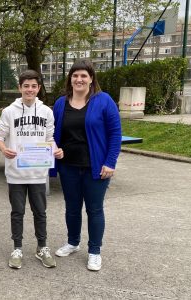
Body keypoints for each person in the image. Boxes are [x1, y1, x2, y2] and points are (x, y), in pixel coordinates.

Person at [51, 59, 121, 271]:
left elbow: (115, 134)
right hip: (68, 166)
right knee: (72, 208)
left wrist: (110, 162)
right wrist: (55, 149)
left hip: (96, 167)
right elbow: (52, 134)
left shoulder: (104, 101)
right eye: (75, 75)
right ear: (70, 79)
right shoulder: (61, 103)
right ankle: (73, 242)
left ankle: (94, 251)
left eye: (84, 75)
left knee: (94, 209)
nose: (79, 79)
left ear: (91, 79)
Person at [0, 70, 64, 269]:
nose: (30, 90)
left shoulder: (46, 112)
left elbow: (49, 139)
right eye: (26, 86)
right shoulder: (9, 111)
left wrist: (56, 150)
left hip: (38, 172)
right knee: (17, 212)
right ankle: (17, 248)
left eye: (34, 86)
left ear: (39, 88)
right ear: (20, 88)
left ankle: (41, 247)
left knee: (40, 212)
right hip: (16, 171)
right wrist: (3, 149)